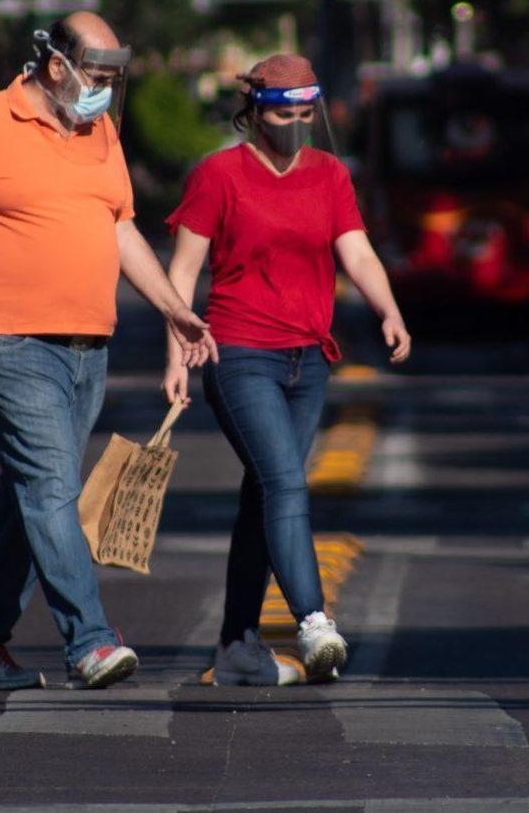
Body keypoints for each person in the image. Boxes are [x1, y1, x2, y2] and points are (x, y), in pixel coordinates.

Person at [0, 12, 217, 691]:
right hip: (6, 338)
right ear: (56, 67)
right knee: (50, 489)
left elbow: (118, 227)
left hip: (87, 345)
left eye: (112, 80)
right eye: (96, 77)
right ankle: (88, 641)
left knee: (31, 496)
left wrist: (175, 309)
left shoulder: (101, 134)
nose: (104, 92)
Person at [161, 54, 411, 686]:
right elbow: (182, 273)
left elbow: (355, 248)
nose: (295, 125)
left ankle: (237, 643)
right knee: (286, 483)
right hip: (239, 353)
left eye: (306, 114)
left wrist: (389, 309)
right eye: (282, 114)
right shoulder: (219, 175)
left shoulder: (330, 175)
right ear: (254, 111)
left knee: (265, 495)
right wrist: (175, 355)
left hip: (310, 359)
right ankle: (313, 620)